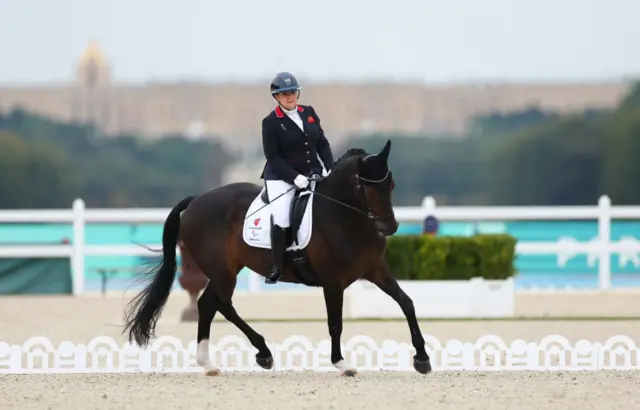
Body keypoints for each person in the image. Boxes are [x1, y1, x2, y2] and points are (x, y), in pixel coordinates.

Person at [260, 71, 335, 284]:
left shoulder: (309, 112)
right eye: (284, 94)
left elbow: (322, 142)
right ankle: (277, 267)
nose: (290, 97)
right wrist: (294, 178)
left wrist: (330, 167)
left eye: (292, 92)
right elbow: (272, 157)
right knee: (283, 216)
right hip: (281, 177)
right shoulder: (271, 122)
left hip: (313, 173)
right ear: (276, 97)